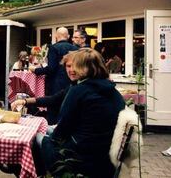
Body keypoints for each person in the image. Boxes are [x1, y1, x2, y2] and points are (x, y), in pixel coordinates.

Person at [40, 48, 125, 178]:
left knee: (39, 138)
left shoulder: (80, 90)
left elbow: (61, 132)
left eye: (77, 65)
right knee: (47, 131)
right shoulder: (112, 89)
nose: (72, 69)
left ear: (88, 67)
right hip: (106, 155)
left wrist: (50, 137)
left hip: (83, 157)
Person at [29, 27, 78, 125]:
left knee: (53, 114)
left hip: (55, 85)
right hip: (71, 84)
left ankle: (53, 136)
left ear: (56, 36)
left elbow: (51, 69)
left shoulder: (53, 47)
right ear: (68, 36)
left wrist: (36, 70)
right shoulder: (76, 49)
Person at [11, 50, 79, 117]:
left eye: (76, 66)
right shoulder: (73, 86)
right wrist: (24, 101)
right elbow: (53, 99)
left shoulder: (83, 88)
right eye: (68, 66)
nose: (71, 70)